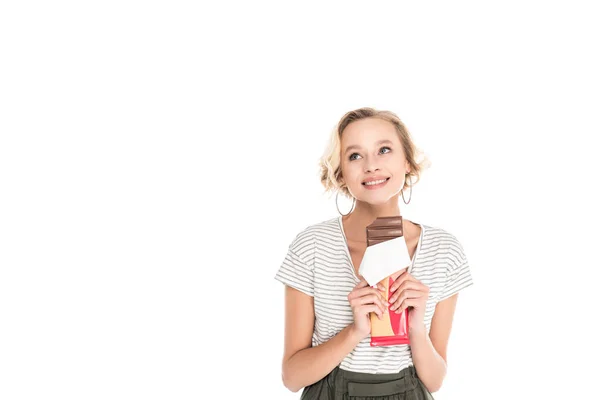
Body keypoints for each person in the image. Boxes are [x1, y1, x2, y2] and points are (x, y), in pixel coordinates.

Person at [274, 107, 474, 399]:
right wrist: (354, 332)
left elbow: (434, 381)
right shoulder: (312, 246)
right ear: (341, 173)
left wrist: (416, 326)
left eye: (384, 150)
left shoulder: (444, 251)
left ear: (407, 161)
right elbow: (292, 378)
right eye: (355, 155)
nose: (371, 166)